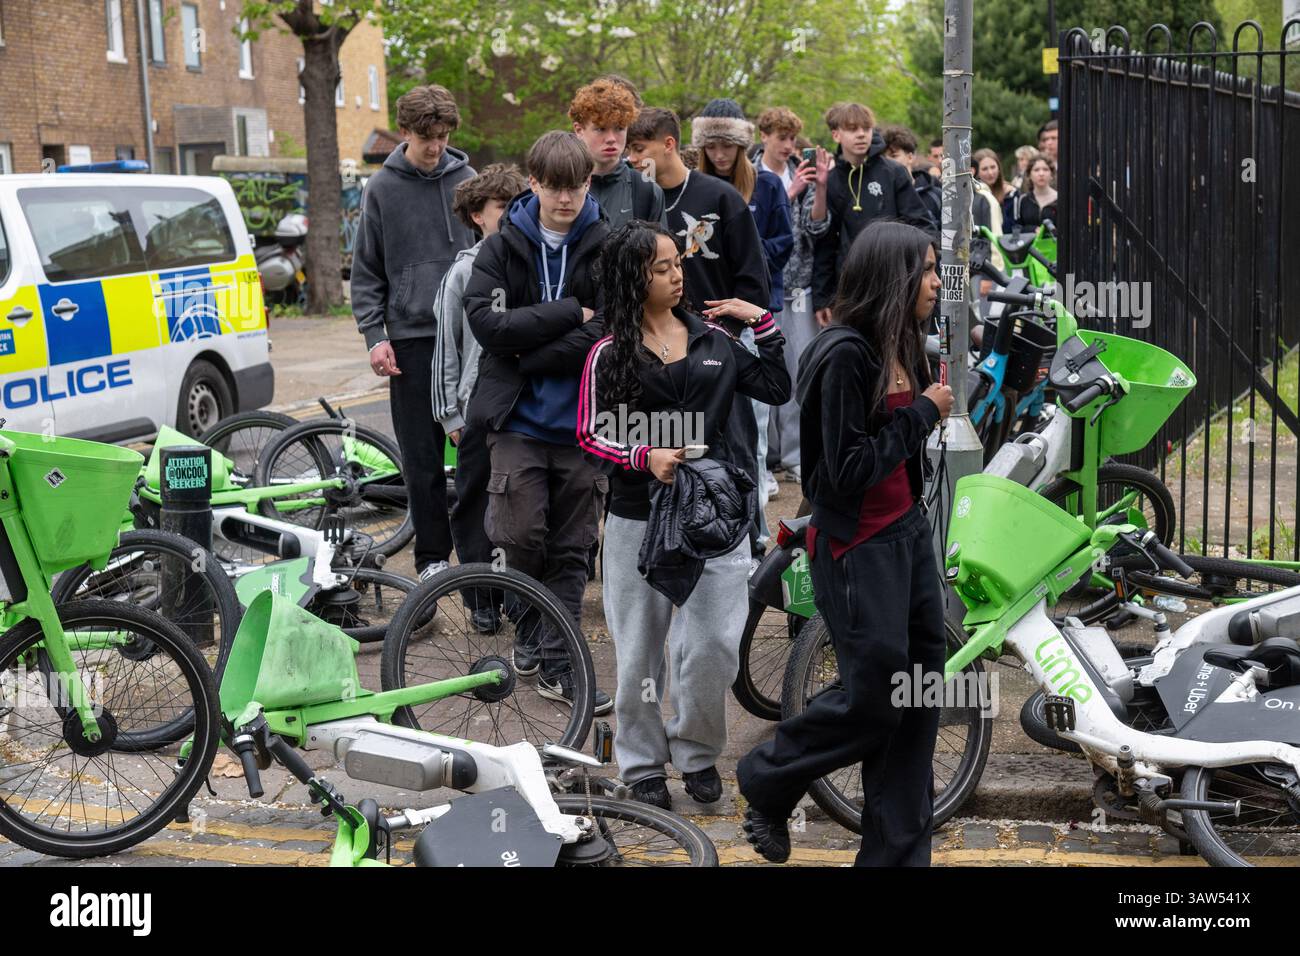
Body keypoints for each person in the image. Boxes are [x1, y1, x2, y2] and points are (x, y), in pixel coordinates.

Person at [736, 220, 954, 867]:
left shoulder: (903, 341)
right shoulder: (843, 355)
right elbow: (837, 473)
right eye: (928, 270)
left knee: (919, 697)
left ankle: (896, 857)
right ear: (895, 278)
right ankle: (770, 774)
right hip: (857, 546)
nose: (938, 282)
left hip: (907, 535)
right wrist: (922, 415)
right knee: (879, 693)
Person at [576, 221, 791, 809]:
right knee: (639, 649)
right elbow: (591, 434)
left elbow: (776, 385)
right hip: (636, 517)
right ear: (632, 279)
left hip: (714, 515)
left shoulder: (715, 340)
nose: (678, 275)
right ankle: (642, 763)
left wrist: (761, 321)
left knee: (715, 646)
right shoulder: (607, 353)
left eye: (678, 264)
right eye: (663, 267)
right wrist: (644, 455)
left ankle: (696, 752)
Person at [462, 130, 614, 715]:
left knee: (573, 549)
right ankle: (528, 624)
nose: (565, 199)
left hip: (581, 422)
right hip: (516, 421)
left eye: (575, 186)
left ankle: (561, 665)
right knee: (520, 535)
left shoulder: (605, 246)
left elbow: (611, 327)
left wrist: (532, 350)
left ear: (588, 183)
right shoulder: (502, 247)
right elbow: (489, 327)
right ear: (534, 184)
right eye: (553, 187)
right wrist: (569, 311)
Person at [626, 107, 772, 562]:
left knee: (736, 444)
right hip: (655, 347)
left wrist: (723, 336)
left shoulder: (720, 197)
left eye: (639, 149)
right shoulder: (637, 202)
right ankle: (676, 539)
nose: (632, 159)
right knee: (670, 444)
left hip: (718, 343)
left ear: (668, 144)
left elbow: (754, 279)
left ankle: (748, 540)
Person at [350, 84, 476, 582]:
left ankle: (478, 565)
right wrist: (374, 335)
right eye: (427, 137)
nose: (436, 146)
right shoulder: (381, 189)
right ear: (404, 132)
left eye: (444, 137)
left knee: (475, 458)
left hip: (469, 338)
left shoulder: (467, 178)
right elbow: (366, 272)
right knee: (421, 460)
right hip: (411, 339)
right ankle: (430, 561)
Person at [432, 163, 527, 633]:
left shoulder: (528, 263)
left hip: (520, 408)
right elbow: (445, 347)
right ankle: (480, 598)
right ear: (477, 216)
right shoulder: (463, 272)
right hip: (473, 414)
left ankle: (516, 596)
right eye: (501, 208)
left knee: (515, 507)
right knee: (473, 506)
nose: (510, 216)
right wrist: (449, 412)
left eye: (517, 207)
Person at [693, 97, 792, 516]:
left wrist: (743, 251)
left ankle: (754, 517)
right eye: (712, 145)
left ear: (740, 146)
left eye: (727, 146)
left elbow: (785, 242)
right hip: (699, 320)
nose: (719, 154)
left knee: (752, 423)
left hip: (748, 317)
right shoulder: (691, 188)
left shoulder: (766, 185)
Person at [752, 106, 832, 485]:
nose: (787, 145)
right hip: (762, 288)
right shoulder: (750, 174)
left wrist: (821, 186)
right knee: (766, 372)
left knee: (800, 370)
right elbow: (750, 226)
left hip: (799, 286)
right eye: (781, 137)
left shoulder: (799, 170)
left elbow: (816, 228)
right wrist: (790, 191)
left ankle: (796, 455)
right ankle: (765, 461)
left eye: (792, 139)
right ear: (763, 135)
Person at [811, 102, 935, 329]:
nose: (861, 134)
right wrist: (822, 298)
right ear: (836, 134)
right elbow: (826, 244)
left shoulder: (893, 172)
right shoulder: (832, 180)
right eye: (852, 128)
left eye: (866, 128)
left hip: (895, 284)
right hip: (852, 289)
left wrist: (914, 273)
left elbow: (922, 226)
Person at [569, 78, 667, 230]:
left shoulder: (646, 191)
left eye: (619, 128)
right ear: (579, 130)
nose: (611, 139)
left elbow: (661, 251)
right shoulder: (559, 187)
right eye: (601, 129)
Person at [1007, 154, 1058, 232]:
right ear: (1029, 175)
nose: (1041, 174)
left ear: (1052, 174)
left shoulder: (1059, 200)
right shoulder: (1023, 200)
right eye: (1036, 170)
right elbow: (1016, 228)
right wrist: (1032, 229)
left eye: (1045, 169)